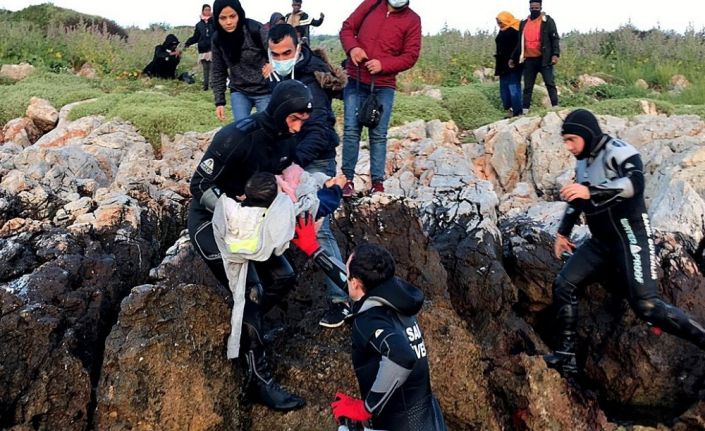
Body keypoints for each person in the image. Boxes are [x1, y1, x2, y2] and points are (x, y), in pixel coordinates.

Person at [544, 109, 705, 375]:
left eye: (572, 139)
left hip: (631, 237)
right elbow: (576, 200)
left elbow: (635, 185)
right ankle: (566, 357)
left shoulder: (619, 151)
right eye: (565, 141)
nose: (568, 146)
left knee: (647, 306)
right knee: (564, 284)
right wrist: (563, 233)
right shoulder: (582, 162)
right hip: (600, 242)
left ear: (586, 135)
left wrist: (590, 190)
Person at [188, 80, 314, 411]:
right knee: (252, 290)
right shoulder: (237, 136)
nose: (298, 127)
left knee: (284, 277)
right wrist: (234, 211)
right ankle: (259, 380)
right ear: (282, 111)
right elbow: (198, 184)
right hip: (211, 221)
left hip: (251, 223)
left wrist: (296, 185)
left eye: (303, 121)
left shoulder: (286, 136)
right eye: (295, 119)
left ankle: (247, 329)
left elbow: (288, 166)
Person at [290, 221, 447, 430]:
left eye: (349, 274)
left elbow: (401, 355)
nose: (347, 280)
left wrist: (365, 408)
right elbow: (352, 283)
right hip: (428, 420)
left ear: (356, 282)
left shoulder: (369, 321)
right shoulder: (396, 296)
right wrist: (315, 250)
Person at [264, 23, 351, 327]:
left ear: (299, 47)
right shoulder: (276, 76)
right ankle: (268, 293)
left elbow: (319, 130)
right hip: (289, 157)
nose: (281, 57)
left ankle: (342, 298)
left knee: (315, 224)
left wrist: (293, 166)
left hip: (314, 158)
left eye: (287, 52)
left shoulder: (311, 78)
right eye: (275, 54)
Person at [339, 0, 422, 197]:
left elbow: (410, 56)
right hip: (356, 79)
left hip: (383, 85)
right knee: (351, 130)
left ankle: (377, 182)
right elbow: (347, 28)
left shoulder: (412, 20)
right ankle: (346, 180)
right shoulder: (372, 4)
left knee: (378, 134)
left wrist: (383, 65)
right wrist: (353, 49)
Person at [211, 0, 271, 122]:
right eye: (223, 18)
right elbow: (218, 70)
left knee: (267, 128)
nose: (228, 22)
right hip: (239, 91)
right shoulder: (218, 39)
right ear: (217, 19)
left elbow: (276, 51)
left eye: (232, 16)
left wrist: (273, 63)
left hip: (265, 90)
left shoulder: (254, 29)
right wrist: (219, 102)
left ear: (239, 14)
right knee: (242, 128)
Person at [509, 0, 560, 114]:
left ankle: (556, 107)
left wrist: (555, 54)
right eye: (532, 8)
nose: (534, 10)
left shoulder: (548, 21)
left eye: (537, 8)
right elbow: (520, 43)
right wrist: (513, 58)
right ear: (529, 8)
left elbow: (554, 38)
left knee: (550, 83)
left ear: (541, 7)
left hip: (544, 59)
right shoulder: (523, 23)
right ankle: (525, 110)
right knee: (528, 87)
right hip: (529, 60)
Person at [495, 11, 522, 118]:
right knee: (504, 89)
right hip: (502, 65)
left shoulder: (516, 30)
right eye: (498, 22)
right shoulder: (502, 30)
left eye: (500, 21)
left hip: (513, 64)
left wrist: (513, 59)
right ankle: (510, 109)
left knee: (513, 87)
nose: (499, 24)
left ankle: (517, 111)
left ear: (506, 19)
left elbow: (519, 47)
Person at [185, 4, 216, 91]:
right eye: (206, 10)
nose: (207, 11)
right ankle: (205, 87)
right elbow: (196, 37)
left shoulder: (214, 22)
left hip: (212, 48)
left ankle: (213, 87)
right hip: (203, 49)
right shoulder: (199, 25)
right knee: (205, 69)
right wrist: (187, 43)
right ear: (202, 11)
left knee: (213, 68)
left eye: (209, 10)